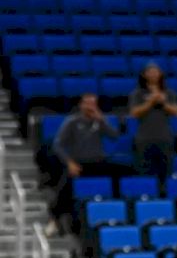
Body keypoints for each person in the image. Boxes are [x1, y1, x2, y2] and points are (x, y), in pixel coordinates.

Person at [50, 93, 131, 233]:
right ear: (81, 105)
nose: (90, 106)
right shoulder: (72, 122)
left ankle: (122, 211)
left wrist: (102, 120)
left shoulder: (99, 121)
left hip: (98, 162)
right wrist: (69, 163)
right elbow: (58, 145)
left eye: (93, 103)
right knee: (65, 188)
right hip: (79, 164)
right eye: (87, 103)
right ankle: (55, 219)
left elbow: (114, 136)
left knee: (125, 172)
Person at [128, 61, 177, 182]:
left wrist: (162, 102)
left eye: (155, 71)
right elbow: (134, 113)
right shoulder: (137, 94)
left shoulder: (169, 93)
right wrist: (150, 102)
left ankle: (165, 198)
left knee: (166, 172)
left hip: (164, 137)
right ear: (144, 75)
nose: (153, 74)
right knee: (144, 171)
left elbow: (176, 112)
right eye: (150, 72)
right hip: (144, 138)